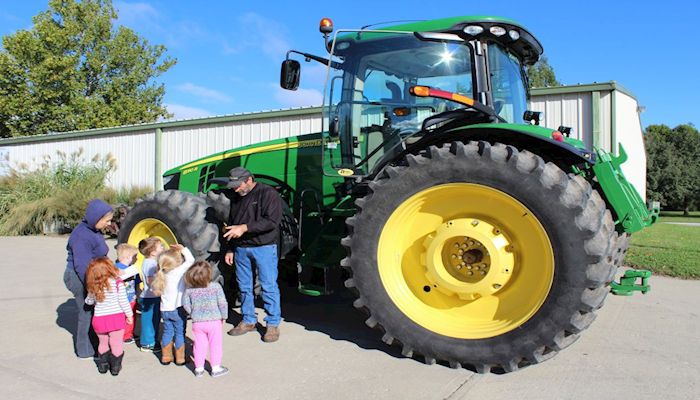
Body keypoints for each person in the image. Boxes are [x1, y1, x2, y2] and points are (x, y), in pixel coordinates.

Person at [218, 167, 283, 342]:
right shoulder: (236, 197)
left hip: (264, 247)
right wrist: (231, 248)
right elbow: (232, 223)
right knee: (244, 287)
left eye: (237, 185)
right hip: (241, 249)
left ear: (248, 180)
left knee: (268, 286)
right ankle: (248, 320)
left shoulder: (268, 194)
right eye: (233, 186)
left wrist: (245, 228)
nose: (235, 189)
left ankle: (272, 324)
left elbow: (272, 221)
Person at [64, 199, 113, 359]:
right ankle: (84, 349)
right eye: (107, 220)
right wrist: (92, 287)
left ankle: (96, 342)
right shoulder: (81, 236)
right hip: (79, 277)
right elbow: (82, 265)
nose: (109, 223)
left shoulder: (94, 230)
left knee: (96, 311)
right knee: (86, 312)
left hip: (94, 273)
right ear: (96, 218)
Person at [85, 257, 134, 376]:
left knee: (103, 343)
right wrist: (129, 315)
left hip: (99, 319)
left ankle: (102, 366)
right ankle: (115, 367)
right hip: (116, 318)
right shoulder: (117, 283)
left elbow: (89, 302)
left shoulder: (94, 286)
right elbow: (123, 302)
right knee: (116, 343)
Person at [182, 261, 229, 378]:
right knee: (215, 344)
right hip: (214, 321)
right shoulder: (216, 287)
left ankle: (199, 368)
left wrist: (192, 313)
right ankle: (216, 368)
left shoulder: (189, 290)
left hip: (197, 322)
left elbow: (185, 304)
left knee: (199, 345)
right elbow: (223, 303)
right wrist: (224, 316)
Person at [151, 244, 195, 366]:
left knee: (167, 332)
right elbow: (191, 260)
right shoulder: (178, 272)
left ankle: (166, 357)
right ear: (177, 262)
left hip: (165, 310)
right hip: (178, 309)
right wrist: (183, 249)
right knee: (180, 333)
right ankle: (180, 358)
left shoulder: (161, 274)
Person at [138, 237, 164, 353]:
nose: (163, 248)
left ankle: (151, 340)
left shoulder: (149, 262)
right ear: (153, 252)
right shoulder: (151, 264)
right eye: (161, 246)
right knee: (150, 320)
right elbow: (150, 280)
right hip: (151, 296)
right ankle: (147, 343)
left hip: (150, 296)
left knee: (153, 319)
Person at [115, 243, 140, 344]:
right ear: (128, 257)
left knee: (129, 316)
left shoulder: (131, 269)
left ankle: (129, 332)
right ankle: (126, 336)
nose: (136, 259)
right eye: (134, 257)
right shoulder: (116, 269)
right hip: (125, 298)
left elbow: (137, 282)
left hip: (130, 297)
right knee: (129, 316)